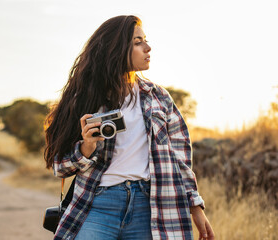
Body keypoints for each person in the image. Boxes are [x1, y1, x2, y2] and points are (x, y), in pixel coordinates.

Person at [44, 15, 215, 240]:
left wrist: (195, 206)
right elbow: (59, 166)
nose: (148, 47)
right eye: (137, 42)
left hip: (149, 206)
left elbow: (180, 159)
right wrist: (86, 148)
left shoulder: (159, 98)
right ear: (116, 48)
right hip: (98, 204)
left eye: (145, 40)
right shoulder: (83, 98)